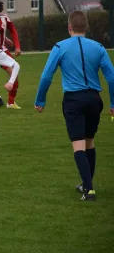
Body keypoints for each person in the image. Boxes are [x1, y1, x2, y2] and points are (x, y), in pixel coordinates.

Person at [34, 11, 114, 201]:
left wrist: (40, 100)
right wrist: (113, 102)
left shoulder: (60, 47)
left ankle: (89, 189)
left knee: (78, 144)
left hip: (73, 100)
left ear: (69, 27)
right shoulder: (99, 47)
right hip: (95, 99)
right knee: (89, 142)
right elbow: (111, 77)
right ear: (86, 28)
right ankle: (86, 184)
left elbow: (46, 76)